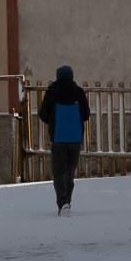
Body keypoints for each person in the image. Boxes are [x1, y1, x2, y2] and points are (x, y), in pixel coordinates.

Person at [38, 65, 90, 215]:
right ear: (72, 76)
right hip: (75, 139)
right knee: (69, 171)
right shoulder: (79, 92)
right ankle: (68, 199)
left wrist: (53, 122)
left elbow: (43, 114)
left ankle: (62, 202)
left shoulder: (52, 92)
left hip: (58, 138)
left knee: (58, 173)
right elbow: (86, 114)